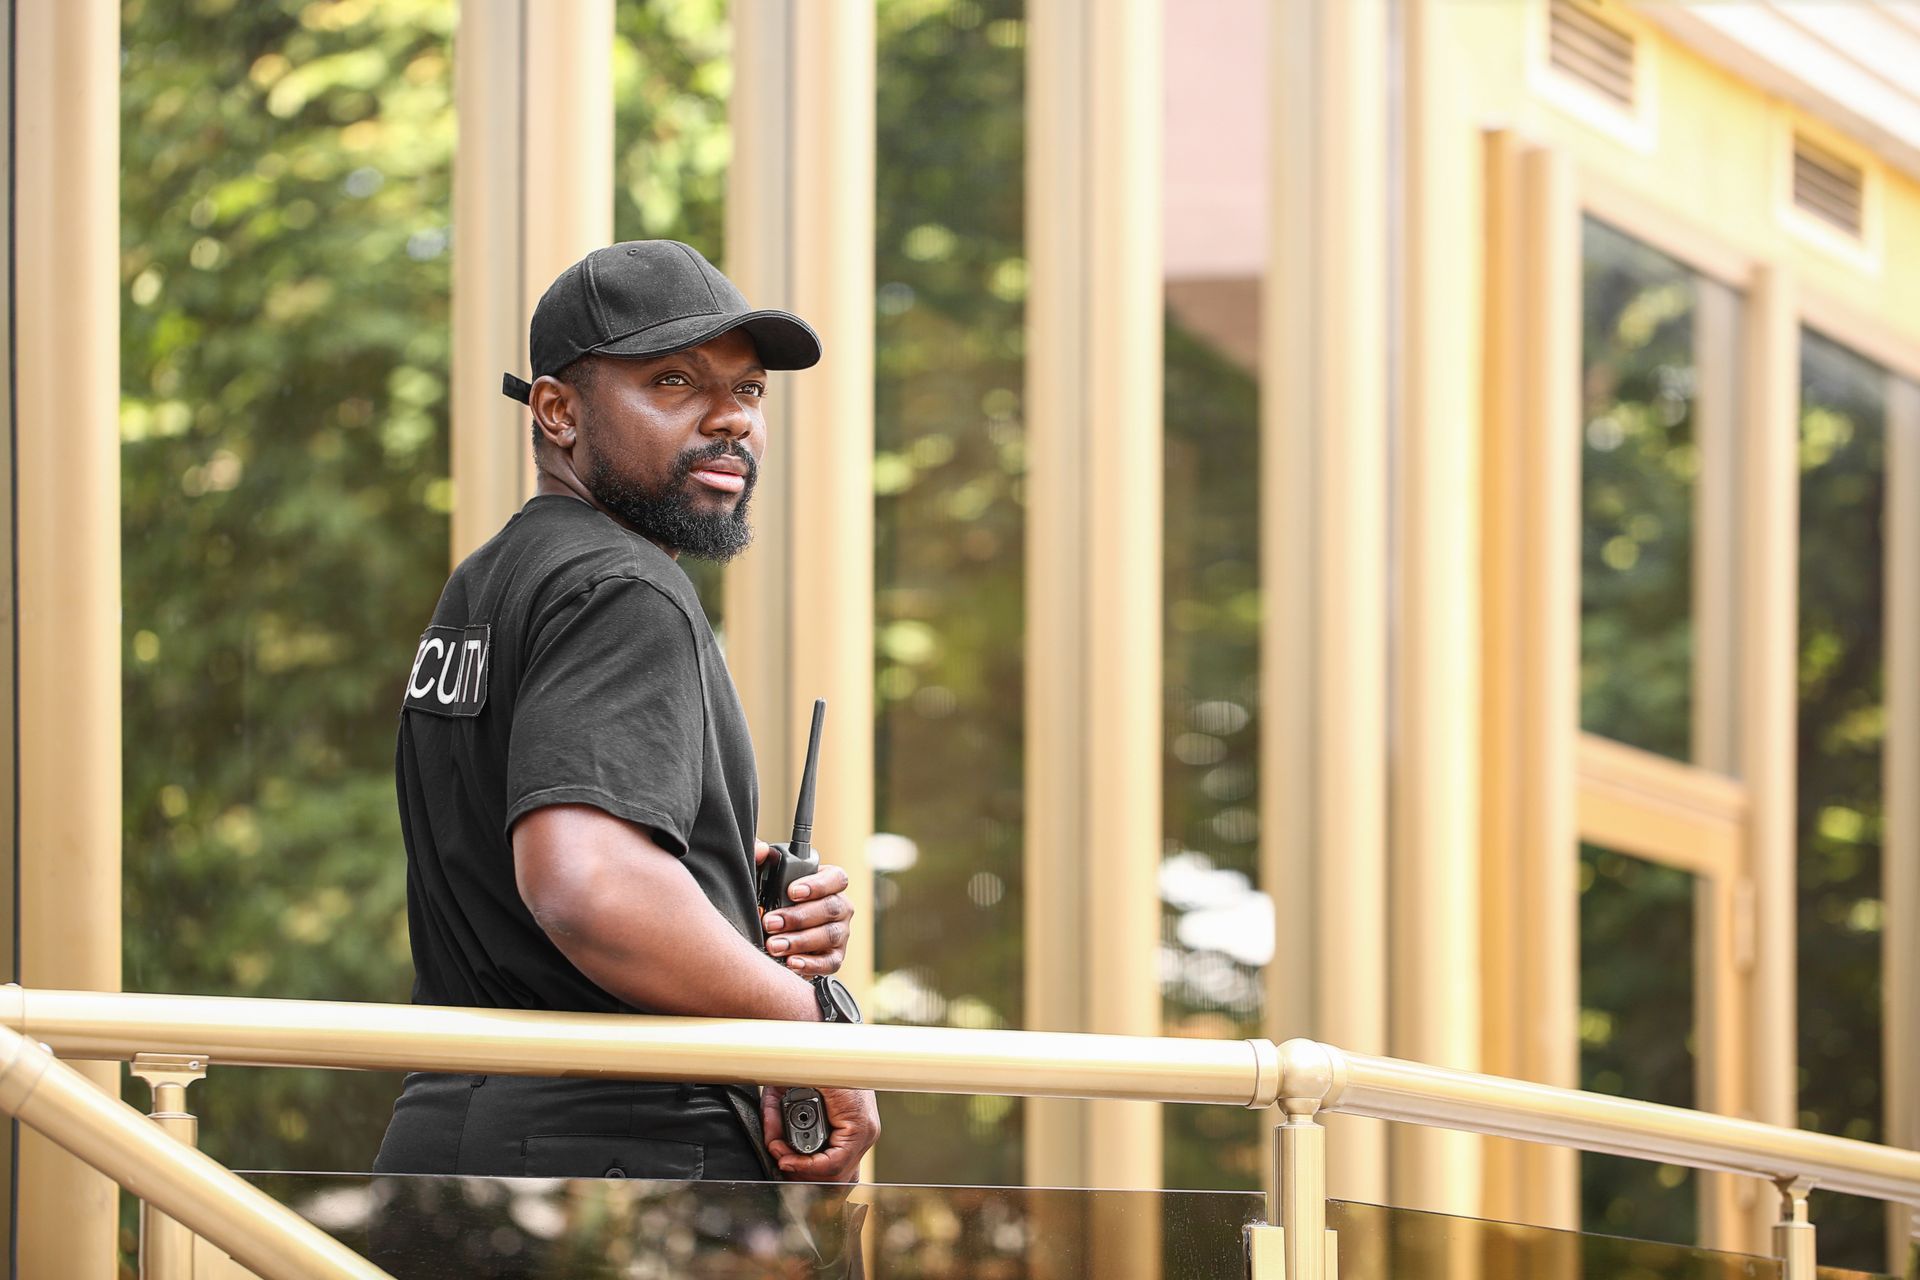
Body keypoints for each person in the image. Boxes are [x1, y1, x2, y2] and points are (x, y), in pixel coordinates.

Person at [372, 239, 880, 1188]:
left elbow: (528, 866)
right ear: (557, 411)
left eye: (749, 389)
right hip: (612, 1170)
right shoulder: (624, 587)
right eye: (674, 381)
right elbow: (589, 887)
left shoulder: (497, 577)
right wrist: (809, 1025)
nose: (731, 418)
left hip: (460, 1143)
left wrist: (722, 890)